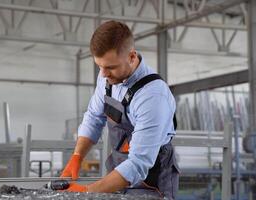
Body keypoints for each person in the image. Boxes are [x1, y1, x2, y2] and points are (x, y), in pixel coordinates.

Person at [60, 20, 179, 199]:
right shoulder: (107, 78)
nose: (103, 74)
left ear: (132, 57)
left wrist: (86, 192)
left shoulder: (153, 96)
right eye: (99, 66)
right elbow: (93, 117)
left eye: (110, 67)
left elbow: (138, 163)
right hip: (118, 176)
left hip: (151, 183)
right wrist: (77, 157)